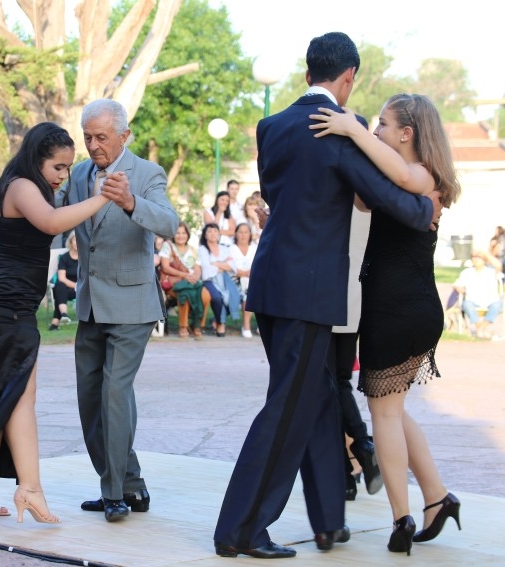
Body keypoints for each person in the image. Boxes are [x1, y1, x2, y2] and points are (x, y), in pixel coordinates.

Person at [213, 32, 440, 560]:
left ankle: (328, 522)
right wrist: (426, 208)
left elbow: (283, 196)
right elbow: (383, 197)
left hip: (271, 282)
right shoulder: (337, 127)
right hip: (308, 293)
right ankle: (240, 529)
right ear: (348, 78)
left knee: (315, 401)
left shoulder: (272, 126)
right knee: (286, 411)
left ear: (307, 72)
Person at [310, 91, 460, 555]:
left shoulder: (423, 175)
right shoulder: (402, 176)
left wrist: (353, 131)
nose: (376, 130)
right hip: (411, 309)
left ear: (407, 133)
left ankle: (401, 517)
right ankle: (438, 498)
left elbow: (400, 176)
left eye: (383, 124)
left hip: (396, 310)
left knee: (385, 414)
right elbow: (361, 200)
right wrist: (358, 145)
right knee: (394, 409)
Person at [0, 122, 110, 524]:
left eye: (67, 168)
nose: (62, 175)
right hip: (7, 309)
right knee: (19, 398)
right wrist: (104, 197)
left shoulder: (22, 186)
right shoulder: (21, 187)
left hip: (4, 307)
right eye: (58, 166)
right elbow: (52, 223)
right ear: (37, 159)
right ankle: (29, 489)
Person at [62, 98, 178, 523]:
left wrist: (131, 202)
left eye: (101, 137)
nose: (93, 145)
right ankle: (131, 483)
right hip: (91, 304)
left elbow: (169, 223)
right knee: (90, 401)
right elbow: (54, 212)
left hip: (132, 304)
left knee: (114, 394)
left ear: (124, 136)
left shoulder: (148, 173)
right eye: (87, 137)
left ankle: (113, 494)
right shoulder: (78, 174)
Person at [329, 208, 381, 501]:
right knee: (338, 383)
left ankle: (355, 454)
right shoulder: (372, 189)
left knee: (328, 386)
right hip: (357, 294)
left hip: (325, 293)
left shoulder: (331, 187)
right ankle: (351, 463)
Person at [159, 222, 207, 338]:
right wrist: (184, 275)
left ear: (188, 234)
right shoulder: (167, 246)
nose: (181, 236)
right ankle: (183, 326)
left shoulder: (193, 249)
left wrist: (195, 277)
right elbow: (165, 267)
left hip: (190, 281)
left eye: (183, 233)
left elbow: (197, 268)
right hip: (173, 283)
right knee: (185, 293)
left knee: (206, 295)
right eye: (178, 233)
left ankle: (197, 324)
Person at [197, 223, 240, 337]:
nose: (213, 234)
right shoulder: (202, 249)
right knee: (217, 298)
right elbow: (206, 269)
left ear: (219, 234)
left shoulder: (224, 248)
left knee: (235, 297)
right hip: (209, 280)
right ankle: (221, 322)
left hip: (225, 278)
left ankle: (216, 320)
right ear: (205, 235)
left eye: (215, 231)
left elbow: (232, 266)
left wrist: (215, 263)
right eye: (209, 231)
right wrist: (223, 264)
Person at [453, 249, 503, 338]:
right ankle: (481, 330)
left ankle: (479, 329)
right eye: (473, 257)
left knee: (497, 305)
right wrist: (459, 288)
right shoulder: (466, 272)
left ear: (484, 260)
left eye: (479, 257)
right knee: (466, 304)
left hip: (490, 300)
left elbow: (498, 265)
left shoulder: (491, 271)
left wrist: (485, 254)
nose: (475, 259)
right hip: (472, 300)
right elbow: (458, 284)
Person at [230, 222, 257, 338]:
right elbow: (230, 268)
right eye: (240, 232)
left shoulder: (255, 248)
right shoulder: (231, 249)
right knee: (248, 294)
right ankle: (246, 326)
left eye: (246, 232)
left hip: (253, 280)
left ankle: (262, 326)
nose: (243, 235)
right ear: (236, 234)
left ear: (250, 234)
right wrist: (245, 273)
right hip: (235, 281)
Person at [48, 230, 79, 331]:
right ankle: (64, 315)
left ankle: (56, 322)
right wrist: (76, 286)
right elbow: (62, 278)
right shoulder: (64, 258)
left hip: (82, 290)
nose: (77, 243)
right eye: (75, 240)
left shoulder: (85, 258)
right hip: (68, 289)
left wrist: (80, 286)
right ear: (70, 242)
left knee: (59, 293)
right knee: (60, 285)